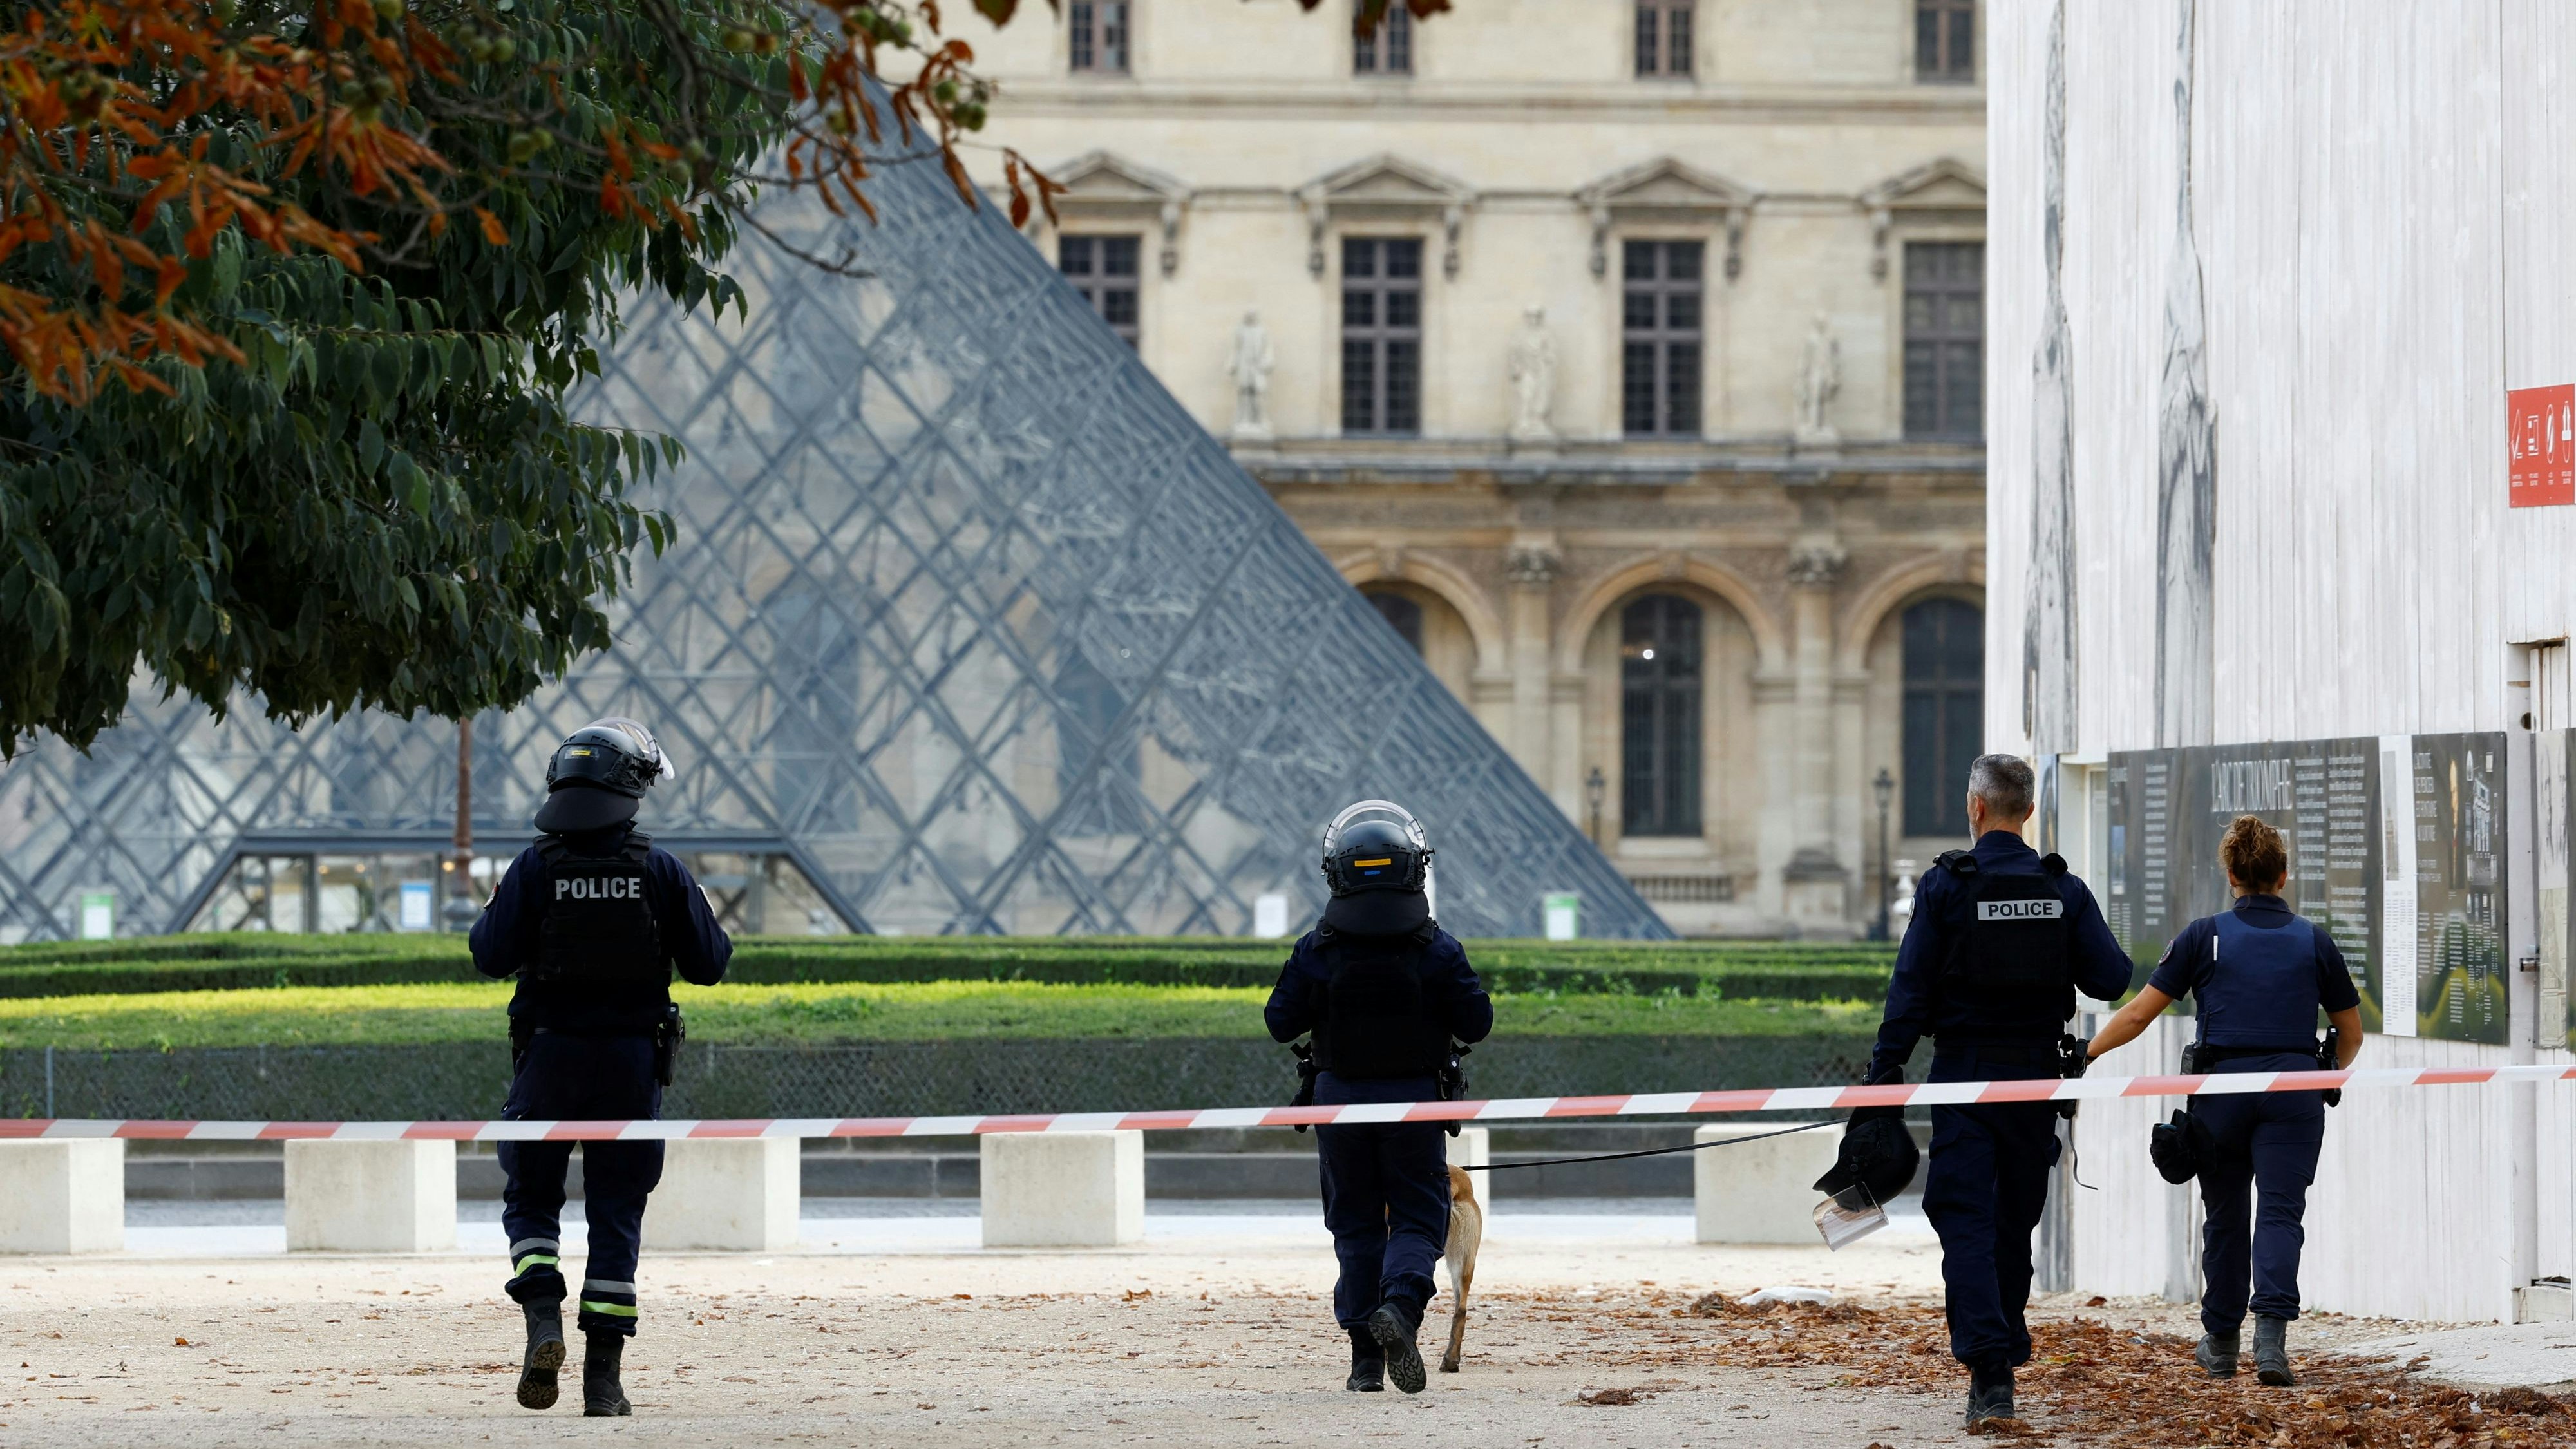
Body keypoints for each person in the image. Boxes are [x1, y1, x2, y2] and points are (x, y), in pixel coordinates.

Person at [1853, 753, 2133, 1427]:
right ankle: (2000, 1349)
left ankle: (1991, 1368)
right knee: (2012, 1223)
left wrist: (1882, 1072)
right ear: (2028, 812)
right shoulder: (2061, 888)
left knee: (1965, 1220)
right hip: (2035, 1080)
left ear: (1976, 808)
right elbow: (2111, 979)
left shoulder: (1947, 885)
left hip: (1965, 1075)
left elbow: (1911, 990)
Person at [469, 718, 734, 1417]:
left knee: (530, 1202)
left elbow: (488, 954)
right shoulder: (660, 868)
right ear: (630, 788)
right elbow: (711, 964)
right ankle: (604, 1386)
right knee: (616, 1216)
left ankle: (542, 1321)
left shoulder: (533, 867)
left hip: (548, 1058)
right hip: (627, 1066)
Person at [2083, 813, 2362, 1388]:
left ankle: (2221, 1343)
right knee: (2282, 1213)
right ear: (2283, 876)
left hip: (2222, 1093)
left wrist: (2085, 1054)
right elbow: (2351, 1033)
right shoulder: (2315, 941)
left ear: (2230, 874)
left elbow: (2138, 1015)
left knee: (2226, 1217)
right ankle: (2273, 1345)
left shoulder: (2202, 936)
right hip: (2295, 1092)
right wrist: (2327, 1071)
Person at [1264, 800, 1492, 1396]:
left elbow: (1279, 1023)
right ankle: (1402, 1309)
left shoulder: (1317, 949)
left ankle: (1365, 1360)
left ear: (1335, 873)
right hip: (1414, 1102)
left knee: (1357, 1228)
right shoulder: (1437, 948)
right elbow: (1479, 1021)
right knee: (1418, 1218)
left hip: (1338, 1103)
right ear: (1414, 869)